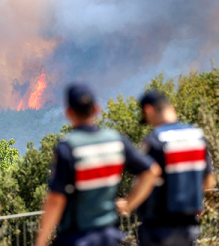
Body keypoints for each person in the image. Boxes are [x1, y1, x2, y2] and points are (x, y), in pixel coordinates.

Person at [35, 83, 161, 246]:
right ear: (96, 109)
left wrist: (41, 240)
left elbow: (55, 199)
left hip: (77, 237)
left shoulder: (68, 147)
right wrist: (129, 204)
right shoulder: (116, 140)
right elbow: (151, 171)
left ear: (69, 113)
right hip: (109, 236)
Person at [137, 90, 216, 246]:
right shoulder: (197, 136)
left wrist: (130, 203)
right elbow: (209, 181)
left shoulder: (155, 140)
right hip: (188, 224)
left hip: (158, 226)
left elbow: (146, 178)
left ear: (149, 111)